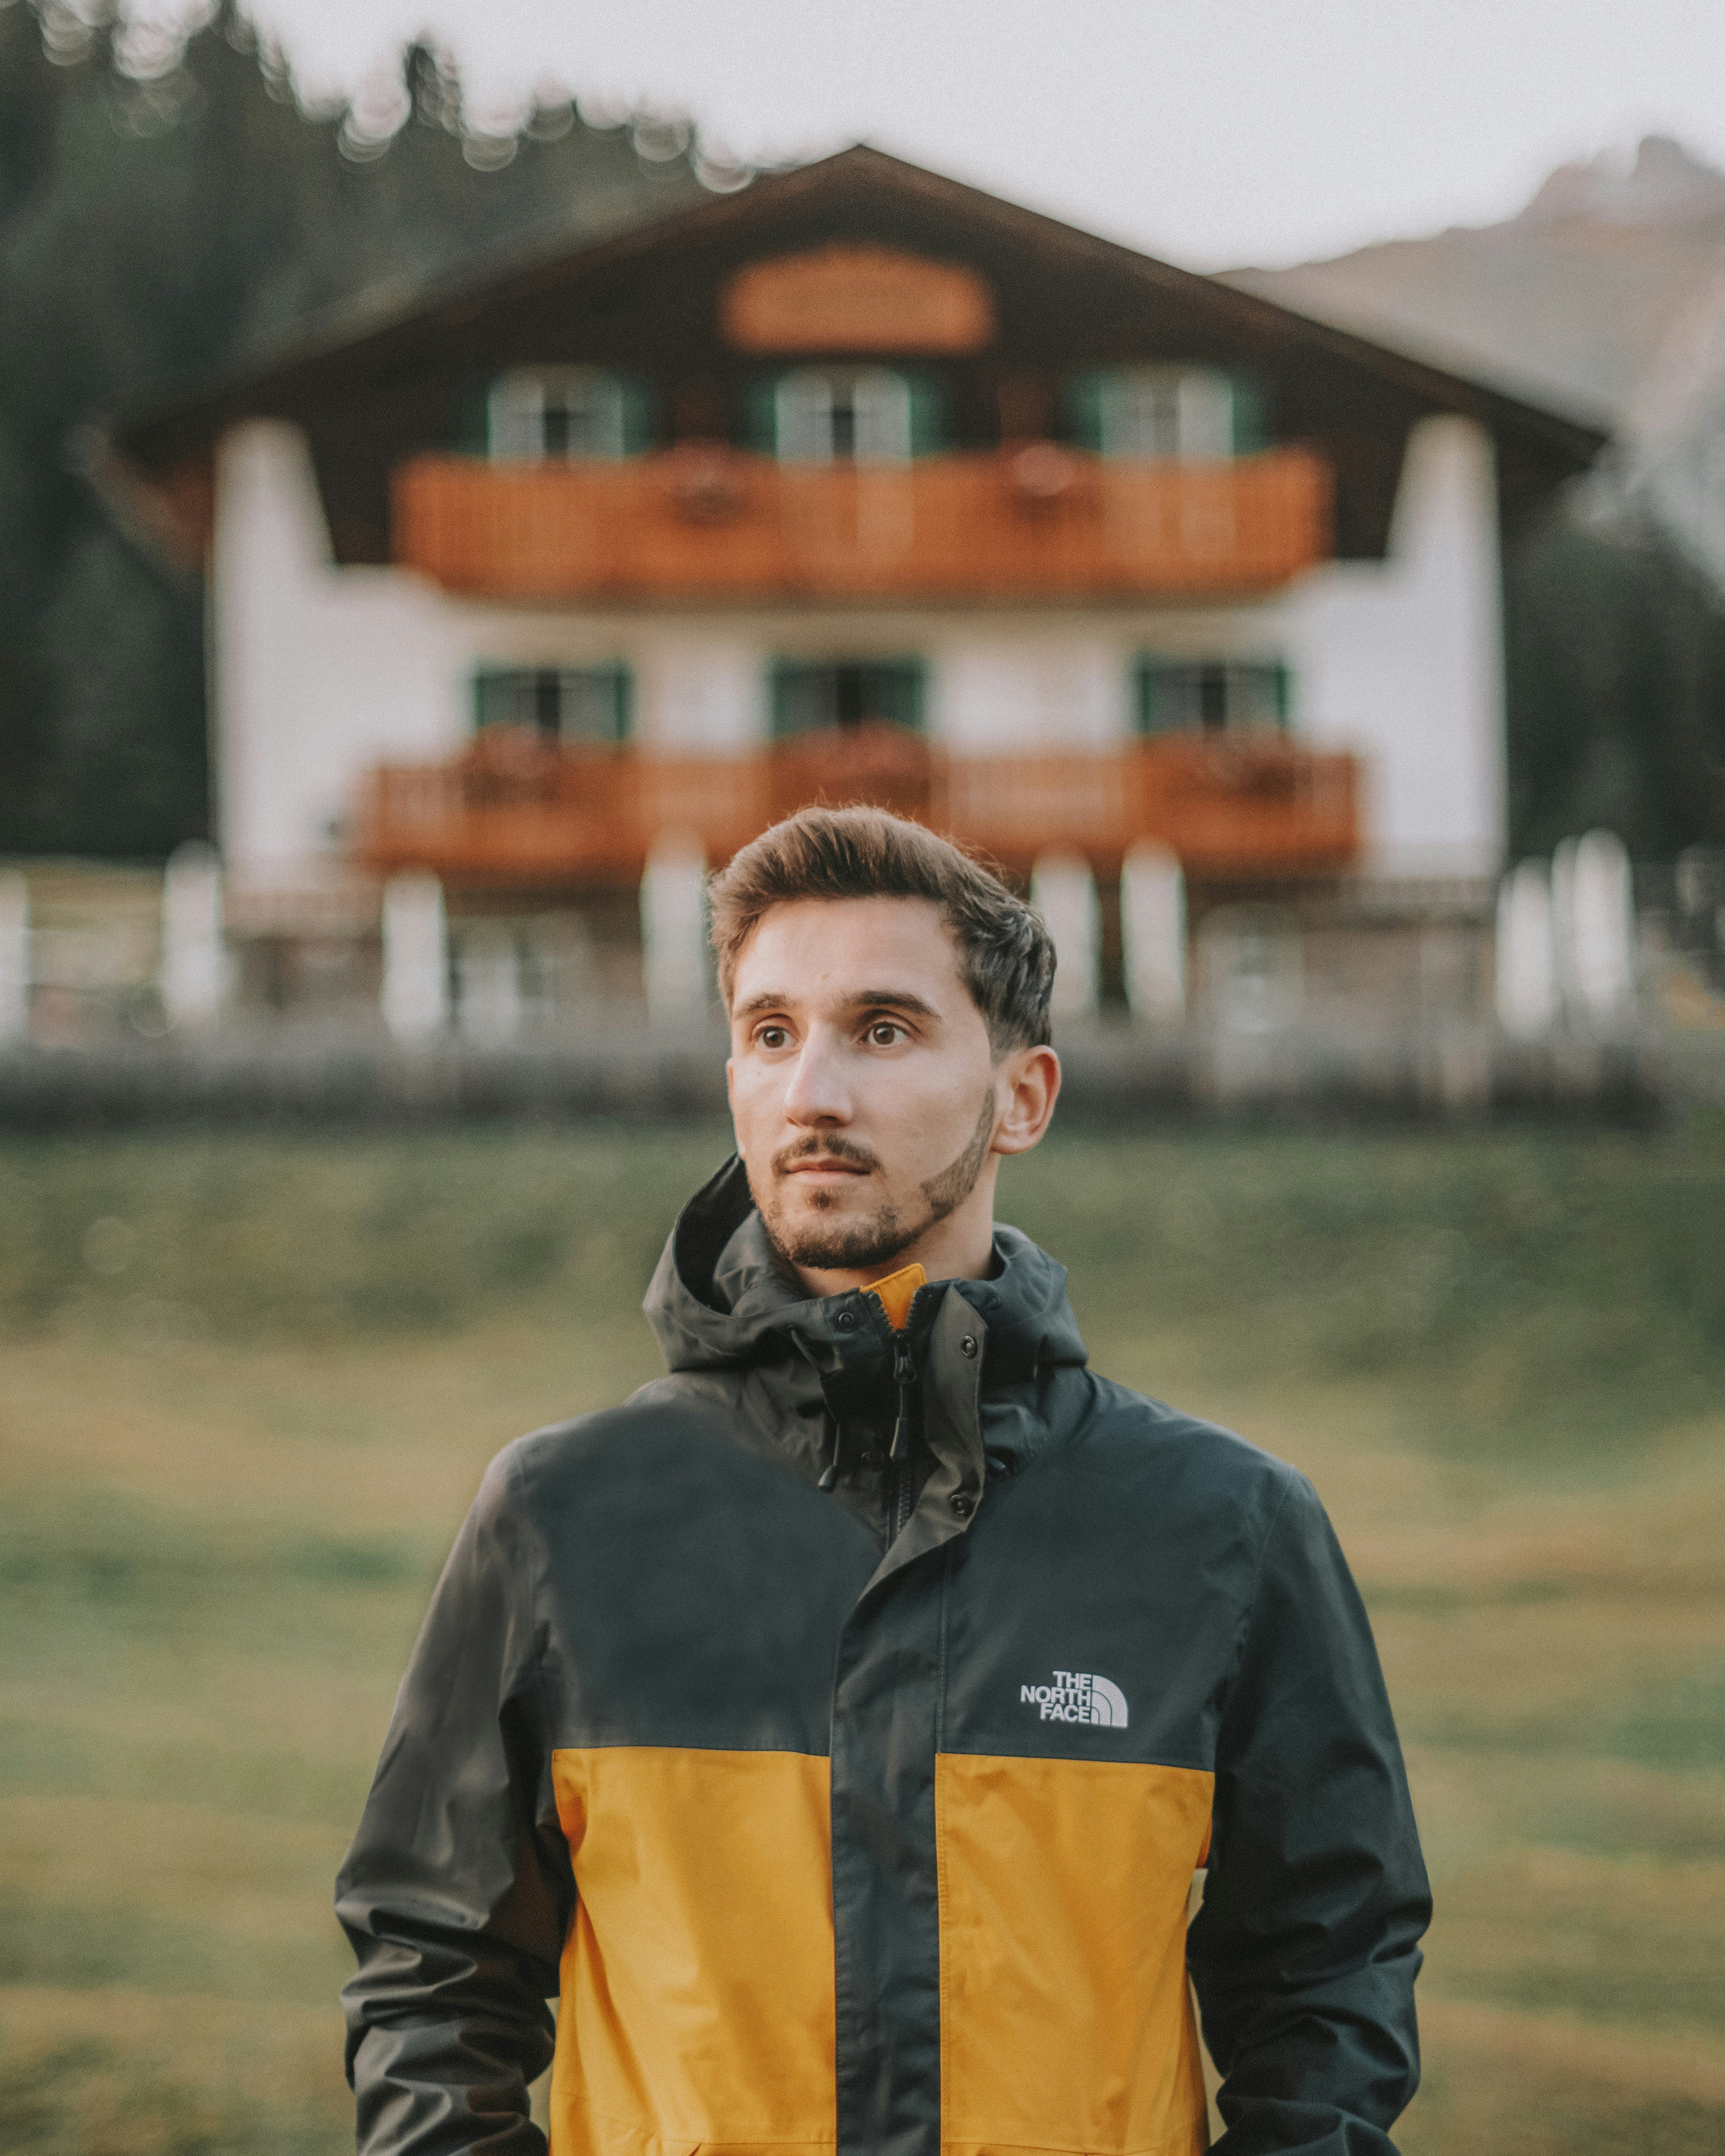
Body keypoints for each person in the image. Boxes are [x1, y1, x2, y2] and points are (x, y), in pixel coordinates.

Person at [336, 805, 1429, 2156]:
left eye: (884, 1028)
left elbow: (1329, 1971)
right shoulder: (560, 1516)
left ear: (1022, 1095)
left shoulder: (1229, 1527)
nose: (812, 1094)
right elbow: (430, 1964)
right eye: (772, 1032)